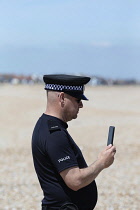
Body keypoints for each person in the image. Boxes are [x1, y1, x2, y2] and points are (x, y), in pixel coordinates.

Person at [32, 74, 116, 210]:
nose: (81, 105)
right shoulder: (54, 134)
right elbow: (75, 180)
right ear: (61, 98)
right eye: (77, 100)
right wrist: (102, 162)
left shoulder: (46, 125)